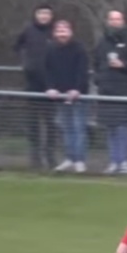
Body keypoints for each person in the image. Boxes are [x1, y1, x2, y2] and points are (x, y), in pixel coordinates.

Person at [94, 10, 127, 175]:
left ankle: (124, 161)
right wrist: (99, 79)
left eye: (118, 19)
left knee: (123, 127)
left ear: (123, 21)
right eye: (112, 19)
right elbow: (96, 63)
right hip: (105, 90)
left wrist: (123, 65)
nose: (115, 22)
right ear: (108, 21)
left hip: (123, 90)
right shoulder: (102, 42)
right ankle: (114, 161)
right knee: (110, 127)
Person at [44, 20, 90, 173]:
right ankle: (69, 158)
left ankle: (79, 160)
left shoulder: (79, 49)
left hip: (78, 96)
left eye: (65, 29)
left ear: (71, 32)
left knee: (79, 128)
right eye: (59, 29)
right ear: (54, 33)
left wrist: (77, 89)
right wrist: (51, 88)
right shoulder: (50, 49)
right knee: (66, 128)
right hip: (60, 96)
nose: (62, 32)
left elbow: (82, 71)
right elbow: (47, 71)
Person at [14, 4, 56, 170]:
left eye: (47, 13)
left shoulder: (55, 31)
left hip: (52, 83)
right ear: (36, 15)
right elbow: (17, 46)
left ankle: (50, 156)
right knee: (32, 121)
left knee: (50, 122)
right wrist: (26, 62)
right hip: (32, 82)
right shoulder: (28, 31)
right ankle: (35, 156)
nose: (44, 16)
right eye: (41, 13)